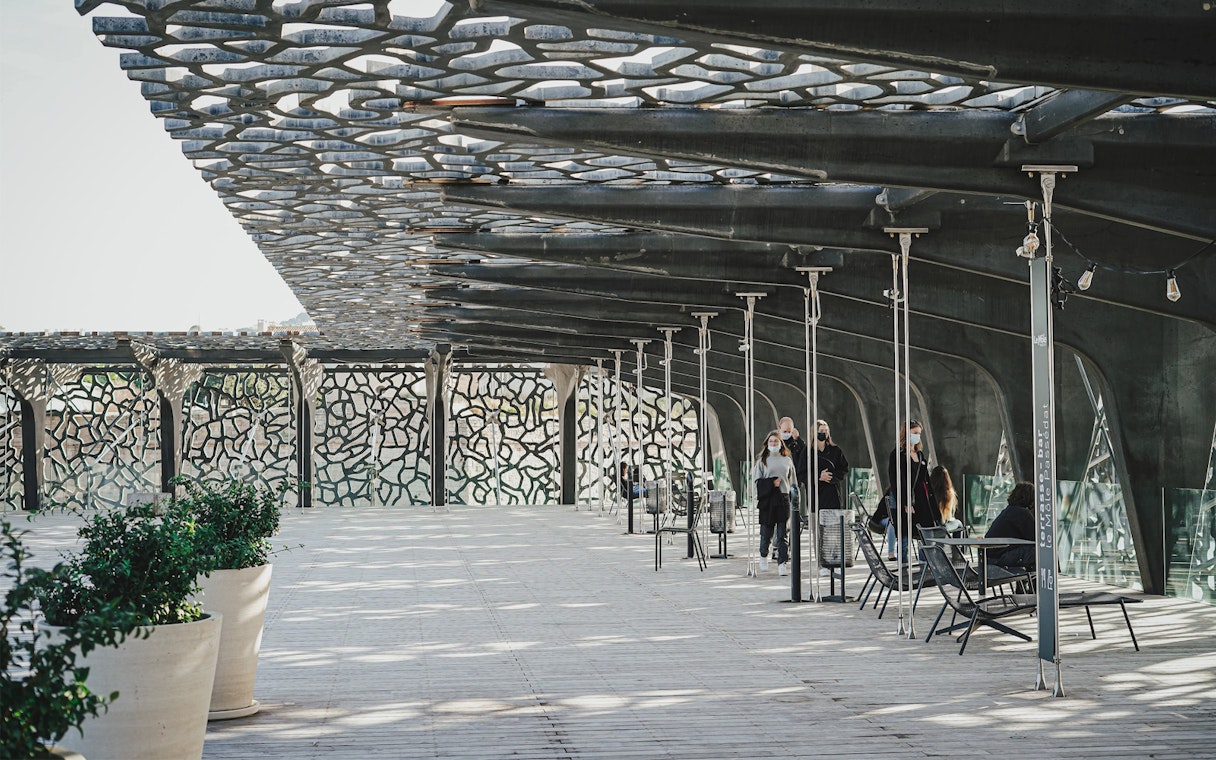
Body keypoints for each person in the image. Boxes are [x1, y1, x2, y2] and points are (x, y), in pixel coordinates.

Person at [886, 420, 938, 561]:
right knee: (904, 536)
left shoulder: (920, 455)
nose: (917, 436)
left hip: (921, 500)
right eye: (914, 433)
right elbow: (897, 480)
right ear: (906, 433)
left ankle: (924, 566)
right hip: (905, 500)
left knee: (926, 535)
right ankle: (903, 568)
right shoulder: (897, 454)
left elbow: (925, 480)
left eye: (919, 434)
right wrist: (906, 502)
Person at [753, 430, 796, 576]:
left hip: (783, 499)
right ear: (767, 443)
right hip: (768, 500)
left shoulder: (787, 460)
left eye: (776, 441)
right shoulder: (762, 461)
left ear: (780, 443)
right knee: (766, 533)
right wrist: (771, 483)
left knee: (782, 533)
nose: (773, 443)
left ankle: (782, 562)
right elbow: (756, 482)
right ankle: (763, 555)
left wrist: (795, 498)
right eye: (771, 441)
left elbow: (793, 481)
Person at [986, 481, 1036, 570]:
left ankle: (1025, 581)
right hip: (1000, 558)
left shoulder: (1008, 511)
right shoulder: (1023, 513)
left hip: (989, 558)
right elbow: (1035, 538)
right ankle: (1034, 582)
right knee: (1041, 551)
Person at [776, 417, 808, 524]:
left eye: (789, 431)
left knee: (792, 516)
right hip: (778, 485)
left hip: (793, 483)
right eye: (785, 431)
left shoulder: (796, 443)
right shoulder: (775, 442)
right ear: (779, 429)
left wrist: (798, 439)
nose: (787, 433)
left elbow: (805, 455)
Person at [930, 465, 963, 534]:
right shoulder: (949, 494)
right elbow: (948, 516)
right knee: (959, 523)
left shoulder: (929, 493)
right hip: (943, 527)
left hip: (930, 528)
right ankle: (959, 544)